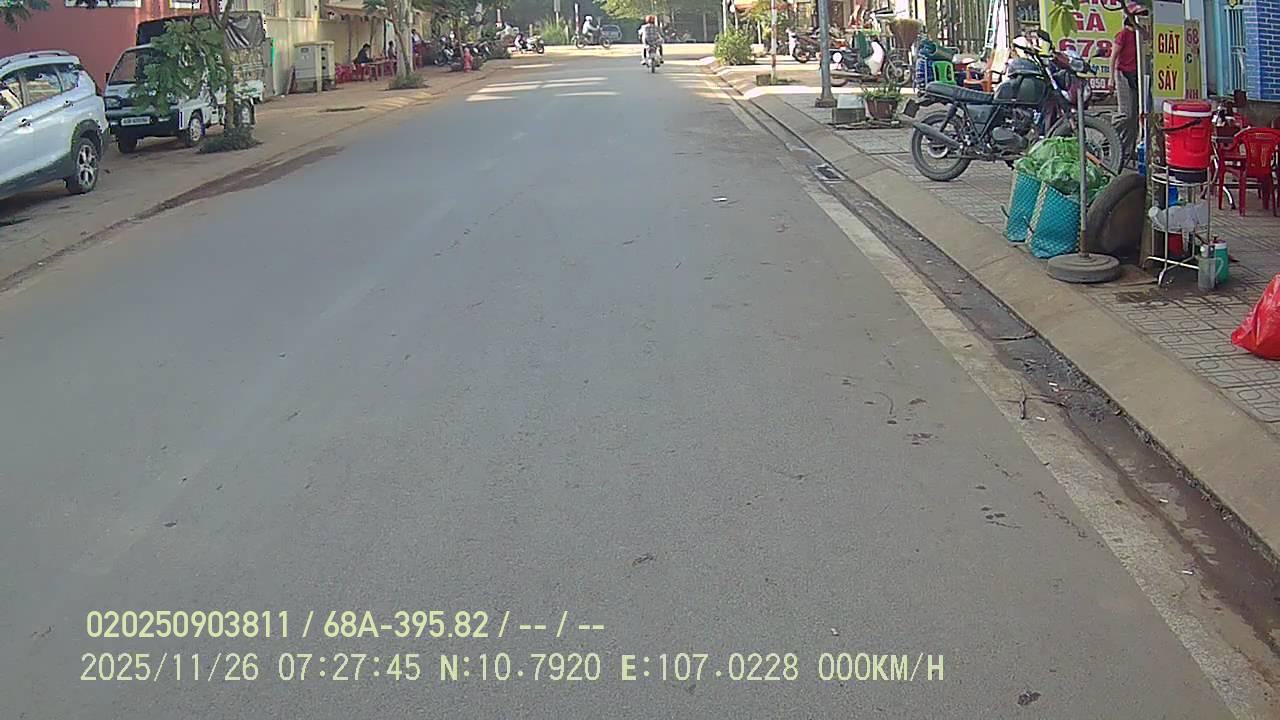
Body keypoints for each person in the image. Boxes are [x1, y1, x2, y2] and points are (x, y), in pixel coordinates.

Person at [1111, 12, 1140, 162]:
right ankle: (1108, 131)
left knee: (1134, 117)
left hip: (1136, 76)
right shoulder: (1123, 35)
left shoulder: (1139, 35)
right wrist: (1111, 79)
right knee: (1125, 114)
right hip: (1123, 74)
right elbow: (1113, 57)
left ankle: (1127, 151)